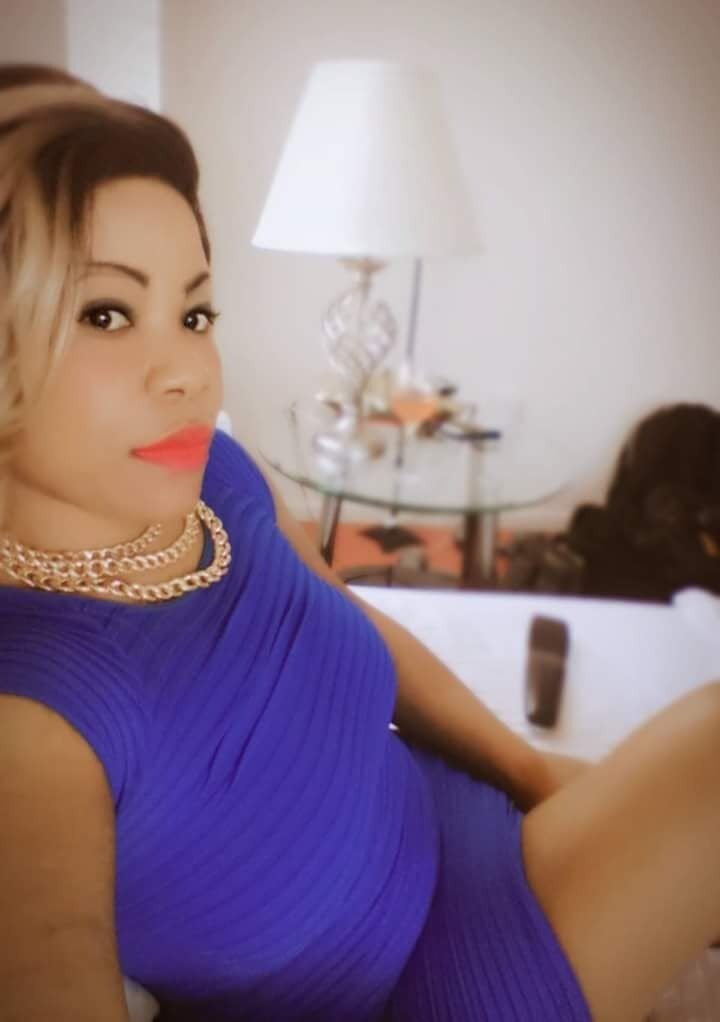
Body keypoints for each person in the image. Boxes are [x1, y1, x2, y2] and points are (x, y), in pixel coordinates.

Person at [0, 64, 717, 1022]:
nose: (188, 373)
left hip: (465, 822)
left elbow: (344, 614)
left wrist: (533, 770)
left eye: (194, 312)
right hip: (427, 987)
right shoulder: (28, 722)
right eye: (106, 313)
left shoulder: (215, 475)